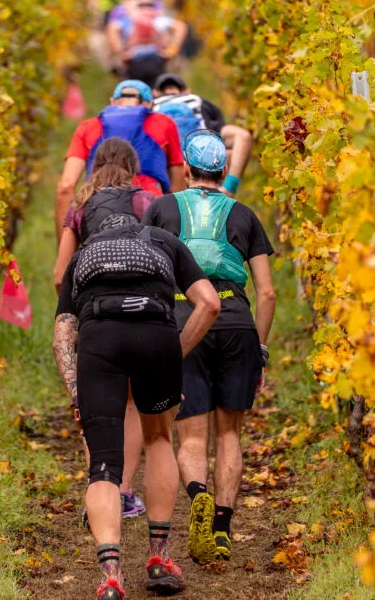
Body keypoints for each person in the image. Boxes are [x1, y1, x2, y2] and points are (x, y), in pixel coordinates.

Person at [53, 214, 221, 599]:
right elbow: (210, 304)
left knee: (104, 465)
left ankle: (110, 576)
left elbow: (63, 333)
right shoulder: (165, 241)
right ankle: (159, 559)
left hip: (100, 339)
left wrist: (77, 390)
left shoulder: (84, 254)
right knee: (159, 438)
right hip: (156, 335)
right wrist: (173, 356)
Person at [143, 130, 276, 565]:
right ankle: (221, 527)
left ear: (185, 169)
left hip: (185, 318)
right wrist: (260, 346)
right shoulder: (244, 214)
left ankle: (196, 493)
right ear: (223, 171)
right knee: (230, 431)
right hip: (236, 319)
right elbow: (268, 293)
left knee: (192, 433)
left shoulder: (162, 208)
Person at [53, 137, 159, 520]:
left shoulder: (80, 206)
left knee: (96, 405)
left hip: (94, 311)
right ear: (133, 168)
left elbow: (60, 271)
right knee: (130, 403)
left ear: (95, 166)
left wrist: (73, 308)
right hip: (143, 307)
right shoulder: (146, 200)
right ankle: (125, 492)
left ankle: (99, 486)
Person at [55, 80, 185, 242]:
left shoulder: (87, 127)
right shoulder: (165, 124)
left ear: (112, 102)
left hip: (97, 211)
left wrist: (65, 252)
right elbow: (178, 188)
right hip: (151, 212)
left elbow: (66, 187)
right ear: (150, 105)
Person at [153, 73, 253, 197]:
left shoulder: (151, 105)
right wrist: (229, 187)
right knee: (233, 149)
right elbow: (242, 137)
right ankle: (226, 192)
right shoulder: (198, 101)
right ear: (187, 91)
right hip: (202, 164)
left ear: (155, 93)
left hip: (167, 168)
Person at [106, 0, 187, 87]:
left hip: (134, 60)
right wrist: (172, 50)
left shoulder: (129, 19)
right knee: (156, 89)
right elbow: (180, 27)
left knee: (136, 90)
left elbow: (112, 29)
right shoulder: (158, 19)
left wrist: (120, 53)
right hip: (157, 59)